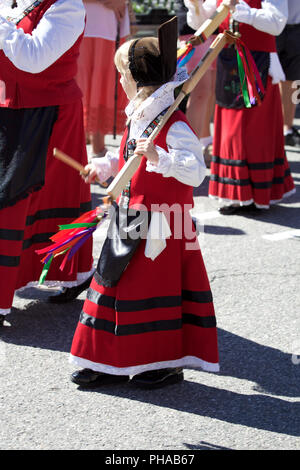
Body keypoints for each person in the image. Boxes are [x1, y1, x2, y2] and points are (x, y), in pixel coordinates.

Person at [69, 17, 220, 390]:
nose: (120, 80)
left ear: (137, 79)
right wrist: (103, 166)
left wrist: (161, 159)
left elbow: (196, 172)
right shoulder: (141, 116)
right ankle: (102, 358)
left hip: (164, 225)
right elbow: (128, 159)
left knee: (150, 291)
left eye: (122, 74)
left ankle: (163, 362)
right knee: (111, 285)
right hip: (130, 216)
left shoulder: (174, 124)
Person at [0, 0, 95, 327]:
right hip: (12, 110)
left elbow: (34, 57)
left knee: (20, 198)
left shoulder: (67, 5)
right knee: (19, 199)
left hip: (49, 114)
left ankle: (72, 272)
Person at [185, 0, 295, 214]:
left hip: (259, 64)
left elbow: (276, 23)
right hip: (230, 62)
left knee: (254, 133)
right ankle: (235, 195)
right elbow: (203, 22)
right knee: (229, 131)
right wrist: (196, 6)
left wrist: (239, 9)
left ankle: (256, 195)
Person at [77, 0, 130, 158]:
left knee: (103, 84)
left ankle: (97, 147)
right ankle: (85, 148)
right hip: (81, 23)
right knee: (83, 84)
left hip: (107, 24)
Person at [178, 0, 217, 161]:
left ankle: (205, 141)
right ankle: (190, 151)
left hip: (219, 26)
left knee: (211, 92)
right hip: (193, 29)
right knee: (201, 91)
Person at [276, 0, 300, 147]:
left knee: (293, 80)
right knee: (269, 79)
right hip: (270, 26)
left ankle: (287, 129)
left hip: (296, 27)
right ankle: (272, 127)